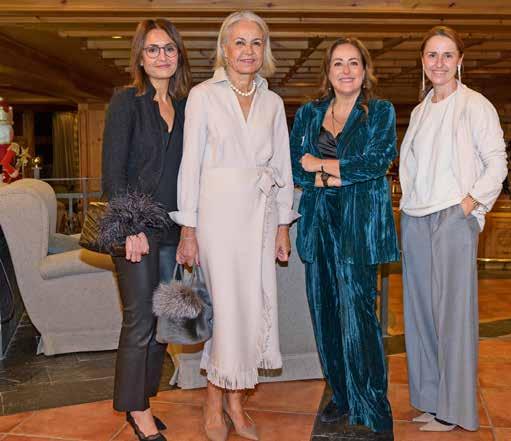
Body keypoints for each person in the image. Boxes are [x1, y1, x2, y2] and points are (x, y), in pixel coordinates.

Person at [172, 11, 297, 441]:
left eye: (256, 43)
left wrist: (283, 224)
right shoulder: (203, 96)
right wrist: (188, 229)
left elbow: (283, 166)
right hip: (216, 218)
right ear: (224, 49)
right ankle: (214, 399)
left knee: (251, 308)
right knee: (223, 310)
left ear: (265, 51)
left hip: (260, 216)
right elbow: (190, 166)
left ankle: (236, 400)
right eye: (239, 42)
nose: (248, 50)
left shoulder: (273, 102)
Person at [399, 26, 507, 432]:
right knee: (421, 316)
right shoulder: (421, 110)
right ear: (422, 61)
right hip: (416, 217)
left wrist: (468, 203)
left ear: (460, 60)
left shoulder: (475, 105)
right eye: (432, 55)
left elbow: (497, 162)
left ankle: (454, 409)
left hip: (453, 216)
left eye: (447, 55)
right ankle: (431, 399)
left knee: (453, 317)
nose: (439, 63)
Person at [290, 37, 399, 433]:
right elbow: (295, 167)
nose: (347, 70)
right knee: (325, 314)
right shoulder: (309, 113)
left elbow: (375, 162)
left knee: (359, 316)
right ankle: (341, 394)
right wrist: (329, 175)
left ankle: (371, 403)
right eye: (338, 63)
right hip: (319, 226)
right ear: (328, 71)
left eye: (354, 62)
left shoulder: (380, 111)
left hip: (358, 227)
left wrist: (320, 166)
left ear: (365, 70)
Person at [102, 18, 191, 441]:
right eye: (153, 49)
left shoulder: (186, 106)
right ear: (140, 56)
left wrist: (192, 228)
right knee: (139, 320)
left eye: (169, 48)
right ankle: (135, 409)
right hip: (137, 228)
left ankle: (143, 399)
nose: (162, 56)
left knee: (162, 322)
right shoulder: (126, 102)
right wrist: (129, 227)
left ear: (178, 55)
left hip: (173, 228)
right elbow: (112, 173)